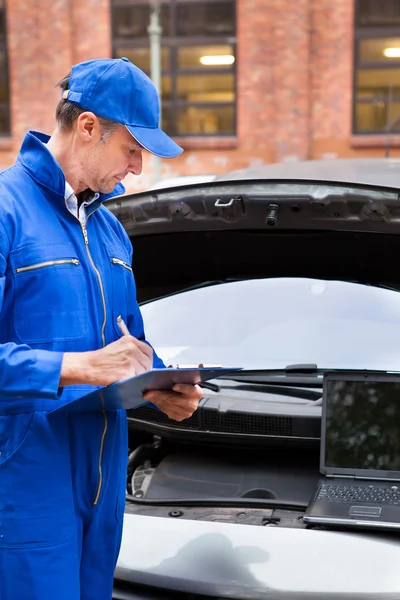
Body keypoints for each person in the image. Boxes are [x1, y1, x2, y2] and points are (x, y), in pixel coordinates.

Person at [0, 57, 203, 600]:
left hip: (104, 481)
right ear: (89, 127)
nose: (138, 168)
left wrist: (163, 384)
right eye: (132, 150)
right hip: (23, 487)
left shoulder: (113, 233)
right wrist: (76, 367)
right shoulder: (5, 212)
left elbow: (127, 344)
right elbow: (92, 362)